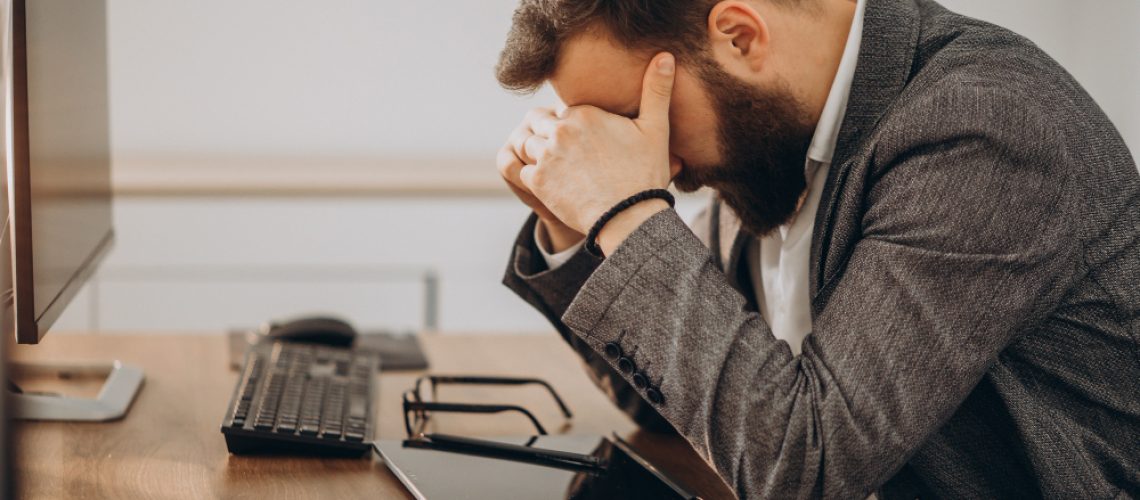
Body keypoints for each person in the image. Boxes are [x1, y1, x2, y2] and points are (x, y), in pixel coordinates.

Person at [494, 0, 1140, 497]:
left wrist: (624, 210)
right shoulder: (768, 139)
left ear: (740, 36)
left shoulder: (983, 126)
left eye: (637, 114)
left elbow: (805, 469)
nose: (655, 162)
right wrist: (573, 226)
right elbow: (677, 407)